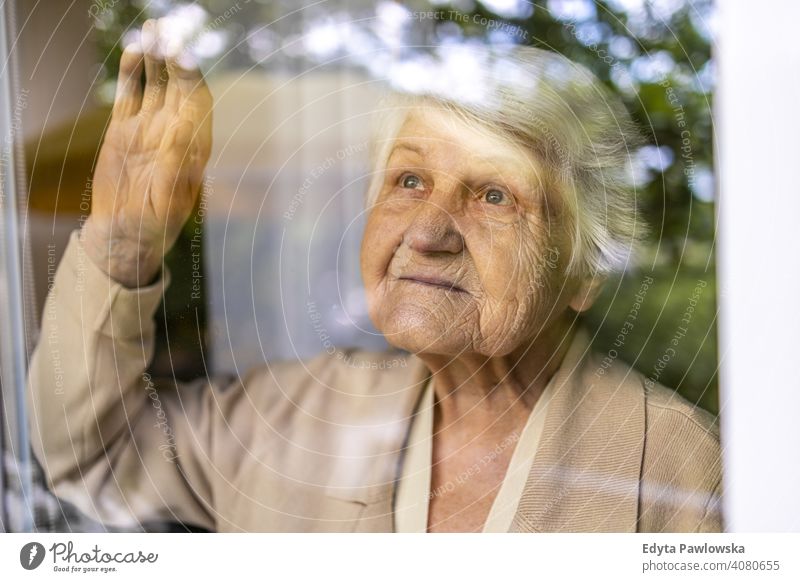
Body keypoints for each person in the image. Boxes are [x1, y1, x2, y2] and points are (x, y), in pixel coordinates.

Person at [27, 18, 721, 533]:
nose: (427, 233)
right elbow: (96, 457)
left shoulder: (679, 468)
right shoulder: (295, 413)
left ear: (583, 272)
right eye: (410, 179)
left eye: (495, 196)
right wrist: (123, 239)